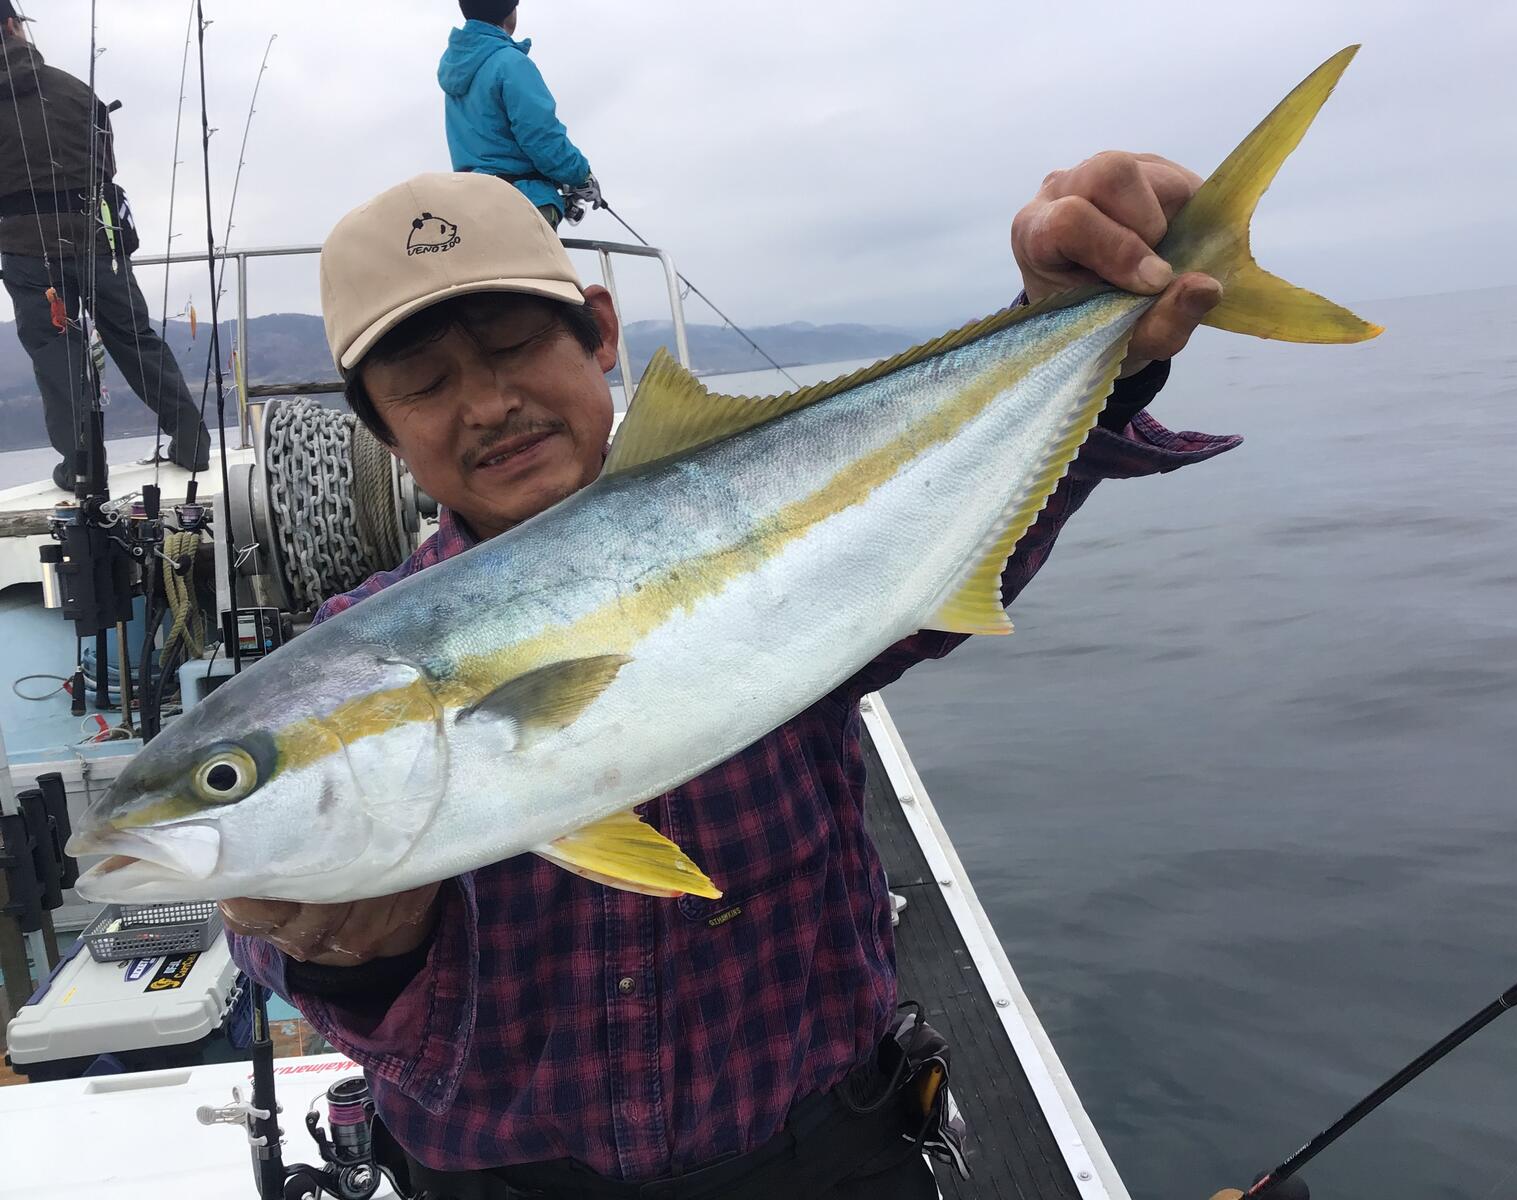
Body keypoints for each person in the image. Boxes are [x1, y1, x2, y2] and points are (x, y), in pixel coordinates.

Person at [223, 165, 1229, 1198]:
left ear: (599, 333)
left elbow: (939, 544)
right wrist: (347, 957)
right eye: (424, 383)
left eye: (515, 343)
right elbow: (267, 948)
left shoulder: (764, 502)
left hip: (825, 1154)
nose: (487, 403)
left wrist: (1092, 348)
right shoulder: (340, 662)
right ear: (382, 426)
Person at [0, 1, 210, 486]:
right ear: (13, 26)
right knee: (133, 337)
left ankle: (84, 465)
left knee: (55, 347)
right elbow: (105, 165)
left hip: (27, 251)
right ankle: (192, 441)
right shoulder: (76, 89)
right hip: (99, 238)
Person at [439, 0, 600, 229]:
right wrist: (582, 176)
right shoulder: (511, 63)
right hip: (520, 205)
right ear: (508, 12)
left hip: (472, 208)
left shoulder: (456, 68)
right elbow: (542, 137)